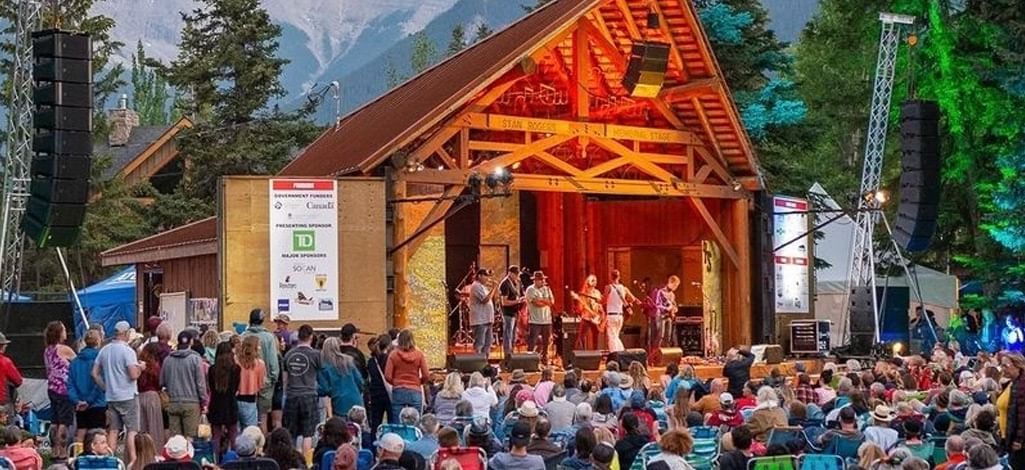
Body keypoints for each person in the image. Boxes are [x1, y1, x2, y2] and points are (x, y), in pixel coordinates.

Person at [92, 321, 143, 467]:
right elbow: (133, 374)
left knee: (113, 430)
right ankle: (132, 460)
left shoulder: (105, 350)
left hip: (111, 396)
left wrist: (105, 387)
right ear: (126, 333)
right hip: (128, 395)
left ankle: (109, 460)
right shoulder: (128, 351)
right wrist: (141, 368)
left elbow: (94, 373)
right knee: (132, 430)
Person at [282, 324, 321, 460]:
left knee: (291, 433)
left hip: (292, 395)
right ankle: (306, 462)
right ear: (311, 337)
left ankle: (292, 461)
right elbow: (321, 376)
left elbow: (285, 380)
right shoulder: (316, 355)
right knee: (308, 433)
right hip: (309, 395)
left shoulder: (288, 354)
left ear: (298, 337)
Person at [160, 330, 207, 439]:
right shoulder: (195, 359)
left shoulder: (168, 360)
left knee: (176, 440)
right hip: (192, 402)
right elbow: (200, 383)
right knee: (190, 438)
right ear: (191, 342)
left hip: (173, 402)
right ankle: (189, 456)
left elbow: (162, 381)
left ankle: (176, 456)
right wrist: (203, 400)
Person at [242, 308, 280, 432]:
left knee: (246, 421)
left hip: (246, 384)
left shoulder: (243, 337)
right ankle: (261, 449)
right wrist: (272, 378)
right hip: (265, 383)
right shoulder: (269, 338)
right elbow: (273, 362)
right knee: (262, 418)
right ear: (262, 320)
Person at [42, 321, 75, 462]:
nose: (66, 332)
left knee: (55, 420)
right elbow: (77, 362)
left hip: (52, 388)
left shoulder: (47, 350)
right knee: (64, 421)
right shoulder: (64, 349)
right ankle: (62, 449)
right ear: (59, 333)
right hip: (64, 389)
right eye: (64, 330)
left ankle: (54, 449)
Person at [68, 329, 107, 446]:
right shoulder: (100, 360)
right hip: (98, 403)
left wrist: (77, 400)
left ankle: (78, 459)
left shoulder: (74, 362)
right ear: (98, 341)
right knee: (100, 433)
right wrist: (89, 401)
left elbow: (70, 384)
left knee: (81, 432)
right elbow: (100, 383)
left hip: (80, 404)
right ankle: (100, 459)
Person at [385, 329, 429, 422]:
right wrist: (418, 382)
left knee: (397, 421)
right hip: (415, 390)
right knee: (415, 421)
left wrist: (396, 382)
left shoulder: (393, 355)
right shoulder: (419, 355)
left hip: (399, 390)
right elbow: (426, 375)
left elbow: (387, 376)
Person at [208, 342, 241, 461]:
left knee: (216, 436)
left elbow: (211, 388)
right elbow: (236, 387)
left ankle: (215, 460)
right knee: (233, 435)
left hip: (216, 404)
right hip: (231, 403)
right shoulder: (236, 369)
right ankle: (234, 460)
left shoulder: (212, 369)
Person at [319, 337, 365, 418]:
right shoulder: (349, 361)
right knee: (357, 428)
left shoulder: (325, 366)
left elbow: (324, 389)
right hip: (356, 401)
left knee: (340, 428)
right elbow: (360, 381)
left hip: (339, 404)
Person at [604, 270, 639, 353]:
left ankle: (615, 355)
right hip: (620, 316)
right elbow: (633, 299)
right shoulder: (624, 288)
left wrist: (599, 300)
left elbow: (604, 300)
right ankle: (621, 353)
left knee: (612, 337)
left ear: (610, 277)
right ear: (619, 277)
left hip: (611, 315)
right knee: (615, 336)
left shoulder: (608, 287)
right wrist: (628, 303)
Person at [525, 271, 555, 365]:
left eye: (543, 279)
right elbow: (536, 303)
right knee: (532, 342)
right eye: (541, 280)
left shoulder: (547, 289)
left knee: (546, 343)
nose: (543, 281)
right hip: (535, 321)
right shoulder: (530, 289)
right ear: (535, 280)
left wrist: (542, 300)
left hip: (547, 320)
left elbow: (552, 302)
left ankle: (544, 360)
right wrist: (545, 301)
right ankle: (530, 361)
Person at [237, 335, 266, 429]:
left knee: (236, 432)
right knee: (250, 432)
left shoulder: (236, 361)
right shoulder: (260, 364)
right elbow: (261, 384)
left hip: (235, 399)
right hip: (250, 400)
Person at [499, 265, 526, 360]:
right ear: (510, 273)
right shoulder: (505, 284)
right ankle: (507, 357)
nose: (518, 276)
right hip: (508, 314)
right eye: (516, 274)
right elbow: (504, 302)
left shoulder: (513, 283)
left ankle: (512, 355)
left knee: (513, 336)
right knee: (508, 336)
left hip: (514, 313)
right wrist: (518, 301)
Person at [469, 268, 499, 355]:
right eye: (486, 276)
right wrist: (493, 288)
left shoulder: (483, 287)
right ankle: (478, 362)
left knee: (488, 343)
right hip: (480, 320)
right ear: (479, 276)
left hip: (487, 319)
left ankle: (485, 363)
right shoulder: (476, 286)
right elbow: (485, 300)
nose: (487, 279)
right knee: (480, 343)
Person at [1004, 352, 1025, 469]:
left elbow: (1023, 415)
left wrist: (1020, 440)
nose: (1002, 369)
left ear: (1017, 365)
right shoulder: (1013, 383)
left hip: (1019, 444)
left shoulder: (1022, 385)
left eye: (1005, 366)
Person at [368, 333, 393, 430]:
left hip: (375, 393)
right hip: (388, 393)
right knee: (391, 421)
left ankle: (374, 442)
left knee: (376, 422)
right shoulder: (389, 359)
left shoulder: (371, 361)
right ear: (389, 345)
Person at [574, 275, 604, 350]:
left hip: (596, 318)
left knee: (596, 336)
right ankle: (581, 353)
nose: (594, 282)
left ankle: (595, 353)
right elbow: (581, 307)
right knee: (581, 337)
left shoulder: (597, 292)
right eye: (592, 280)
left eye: (595, 280)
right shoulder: (584, 293)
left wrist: (600, 311)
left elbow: (601, 302)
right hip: (586, 317)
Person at [653, 276, 680, 348]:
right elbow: (657, 305)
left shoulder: (672, 294)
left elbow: (674, 305)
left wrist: (674, 309)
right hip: (661, 316)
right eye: (675, 285)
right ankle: (656, 353)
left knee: (668, 337)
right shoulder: (661, 292)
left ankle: (666, 354)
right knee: (660, 336)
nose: (675, 288)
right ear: (670, 282)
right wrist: (666, 308)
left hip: (669, 317)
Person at [0, 333, 22, 415]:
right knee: (9, 426)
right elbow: (18, 381)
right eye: (4, 344)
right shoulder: (5, 362)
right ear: (1, 346)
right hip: (3, 403)